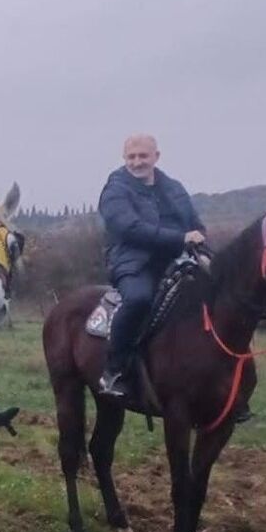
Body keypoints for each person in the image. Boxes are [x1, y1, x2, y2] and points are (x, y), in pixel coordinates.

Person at [97, 134, 208, 399]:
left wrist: (201, 247)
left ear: (156, 156)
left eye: (143, 156)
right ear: (124, 159)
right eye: (131, 157)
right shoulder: (114, 191)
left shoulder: (174, 189)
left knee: (222, 297)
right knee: (138, 299)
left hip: (178, 260)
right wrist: (181, 238)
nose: (137, 162)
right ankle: (114, 370)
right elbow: (130, 228)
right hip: (133, 261)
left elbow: (195, 224)